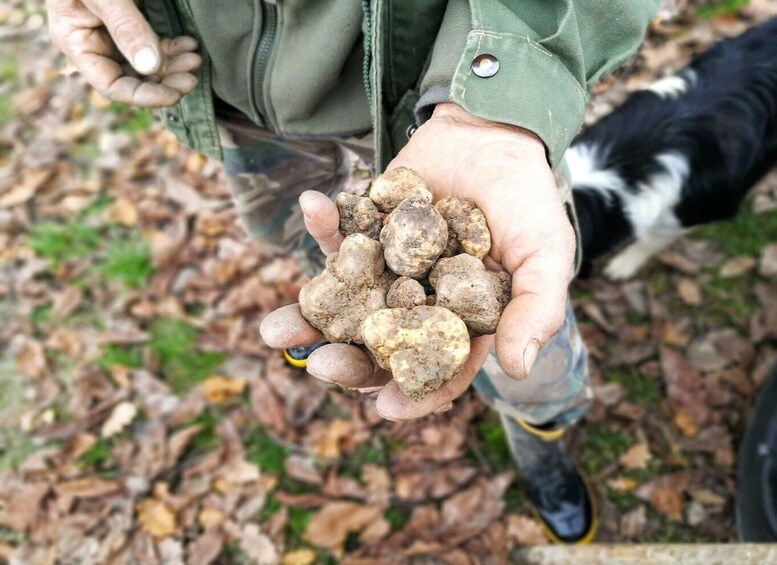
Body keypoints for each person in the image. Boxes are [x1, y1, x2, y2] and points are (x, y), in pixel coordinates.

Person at [46, 0, 658, 545]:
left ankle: (542, 445)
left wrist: (493, 108)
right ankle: (337, 327)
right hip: (241, 104)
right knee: (314, 239)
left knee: (526, 346)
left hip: (450, 88)